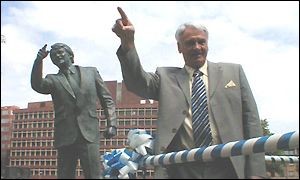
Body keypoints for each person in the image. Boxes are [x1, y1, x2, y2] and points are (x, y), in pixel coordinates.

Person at [112, 7, 266, 179]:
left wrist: (257, 173)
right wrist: (128, 43)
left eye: (202, 42)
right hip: (181, 168)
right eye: (190, 43)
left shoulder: (234, 73)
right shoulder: (165, 77)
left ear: (208, 44)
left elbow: (251, 122)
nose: (197, 47)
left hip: (229, 165)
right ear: (179, 47)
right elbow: (137, 83)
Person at [31, 43, 117, 179]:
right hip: (65, 135)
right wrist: (38, 62)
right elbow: (37, 85)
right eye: (53, 56)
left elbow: (107, 99)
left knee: (94, 175)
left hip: (89, 134)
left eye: (60, 52)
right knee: (65, 175)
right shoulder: (52, 79)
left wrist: (112, 123)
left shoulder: (91, 72)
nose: (57, 56)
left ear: (70, 55)